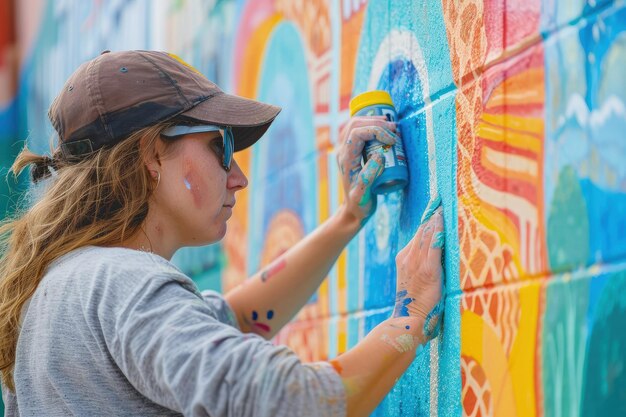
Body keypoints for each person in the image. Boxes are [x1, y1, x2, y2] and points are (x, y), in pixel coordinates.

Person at [0, 50, 444, 417]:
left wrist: (349, 217)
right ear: (152, 153)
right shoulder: (122, 282)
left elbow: (237, 318)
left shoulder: (59, 292)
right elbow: (290, 401)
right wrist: (410, 316)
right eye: (222, 147)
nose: (237, 177)